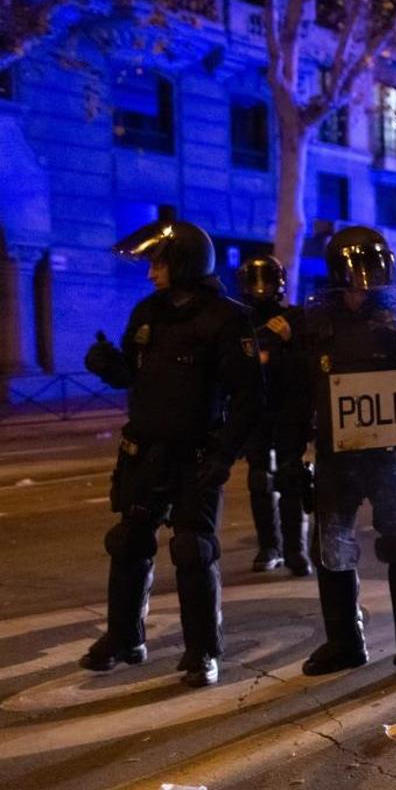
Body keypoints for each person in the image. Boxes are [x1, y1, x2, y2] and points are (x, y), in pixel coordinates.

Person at [80, 218, 263, 687]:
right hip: (145, 453)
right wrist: (109, 367)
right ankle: (124, 639)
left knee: (193, 550)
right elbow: (134, 377)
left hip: (196, 454)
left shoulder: (226, 318)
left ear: (183, 262)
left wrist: (223, 457)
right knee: (128, 543)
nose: (150, 273)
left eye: (157, 263)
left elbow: (248, 397)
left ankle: (203, 652)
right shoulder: (148, 313)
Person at [286, 226, 396, 682]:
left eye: (374, 268)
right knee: (332, 550)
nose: (367, 278)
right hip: (336, 454)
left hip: (389, 456)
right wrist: (293, 451)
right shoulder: (316, 322)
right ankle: (344, 643)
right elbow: (299, 390)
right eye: (358, 269)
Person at [236, 254, 312, 576]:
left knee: (291, 477)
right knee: (259, 480)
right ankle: (269, 545)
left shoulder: (293, 318)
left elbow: (309, 362)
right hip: (255, 411)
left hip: (289, 410)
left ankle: (295, 549)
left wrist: (289, 341)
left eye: (266, 281)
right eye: (255, 282)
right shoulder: (239, 322)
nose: (260, 288)